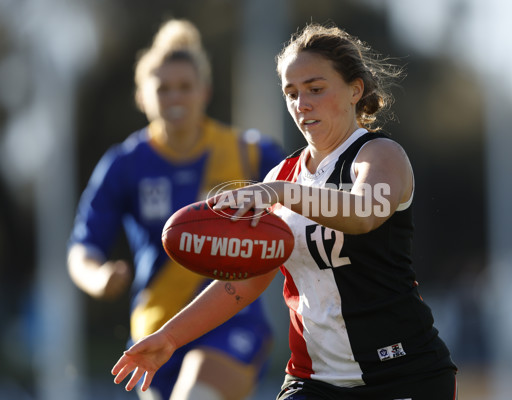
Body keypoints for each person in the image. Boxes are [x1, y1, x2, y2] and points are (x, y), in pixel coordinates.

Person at [111, 22, 458, 400]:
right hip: (314, 381)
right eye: (291, 93)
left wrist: (280, 192)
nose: (301, 103)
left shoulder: (378, 155)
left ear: (355, 90)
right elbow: (246, 281)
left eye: (315, 89)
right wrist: (170, 337)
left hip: (403, 373)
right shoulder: (283, 174)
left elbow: (364, 213)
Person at [68, 19, 285, 400]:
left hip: (231, 319)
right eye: (163, 88)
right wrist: (98, 277)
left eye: (185, 87)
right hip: (155, 323)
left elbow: (306, 202)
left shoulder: (249, 153)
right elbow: (82, 247)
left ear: (205, 91)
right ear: (142, 96)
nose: (175, 98)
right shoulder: (125, 163)